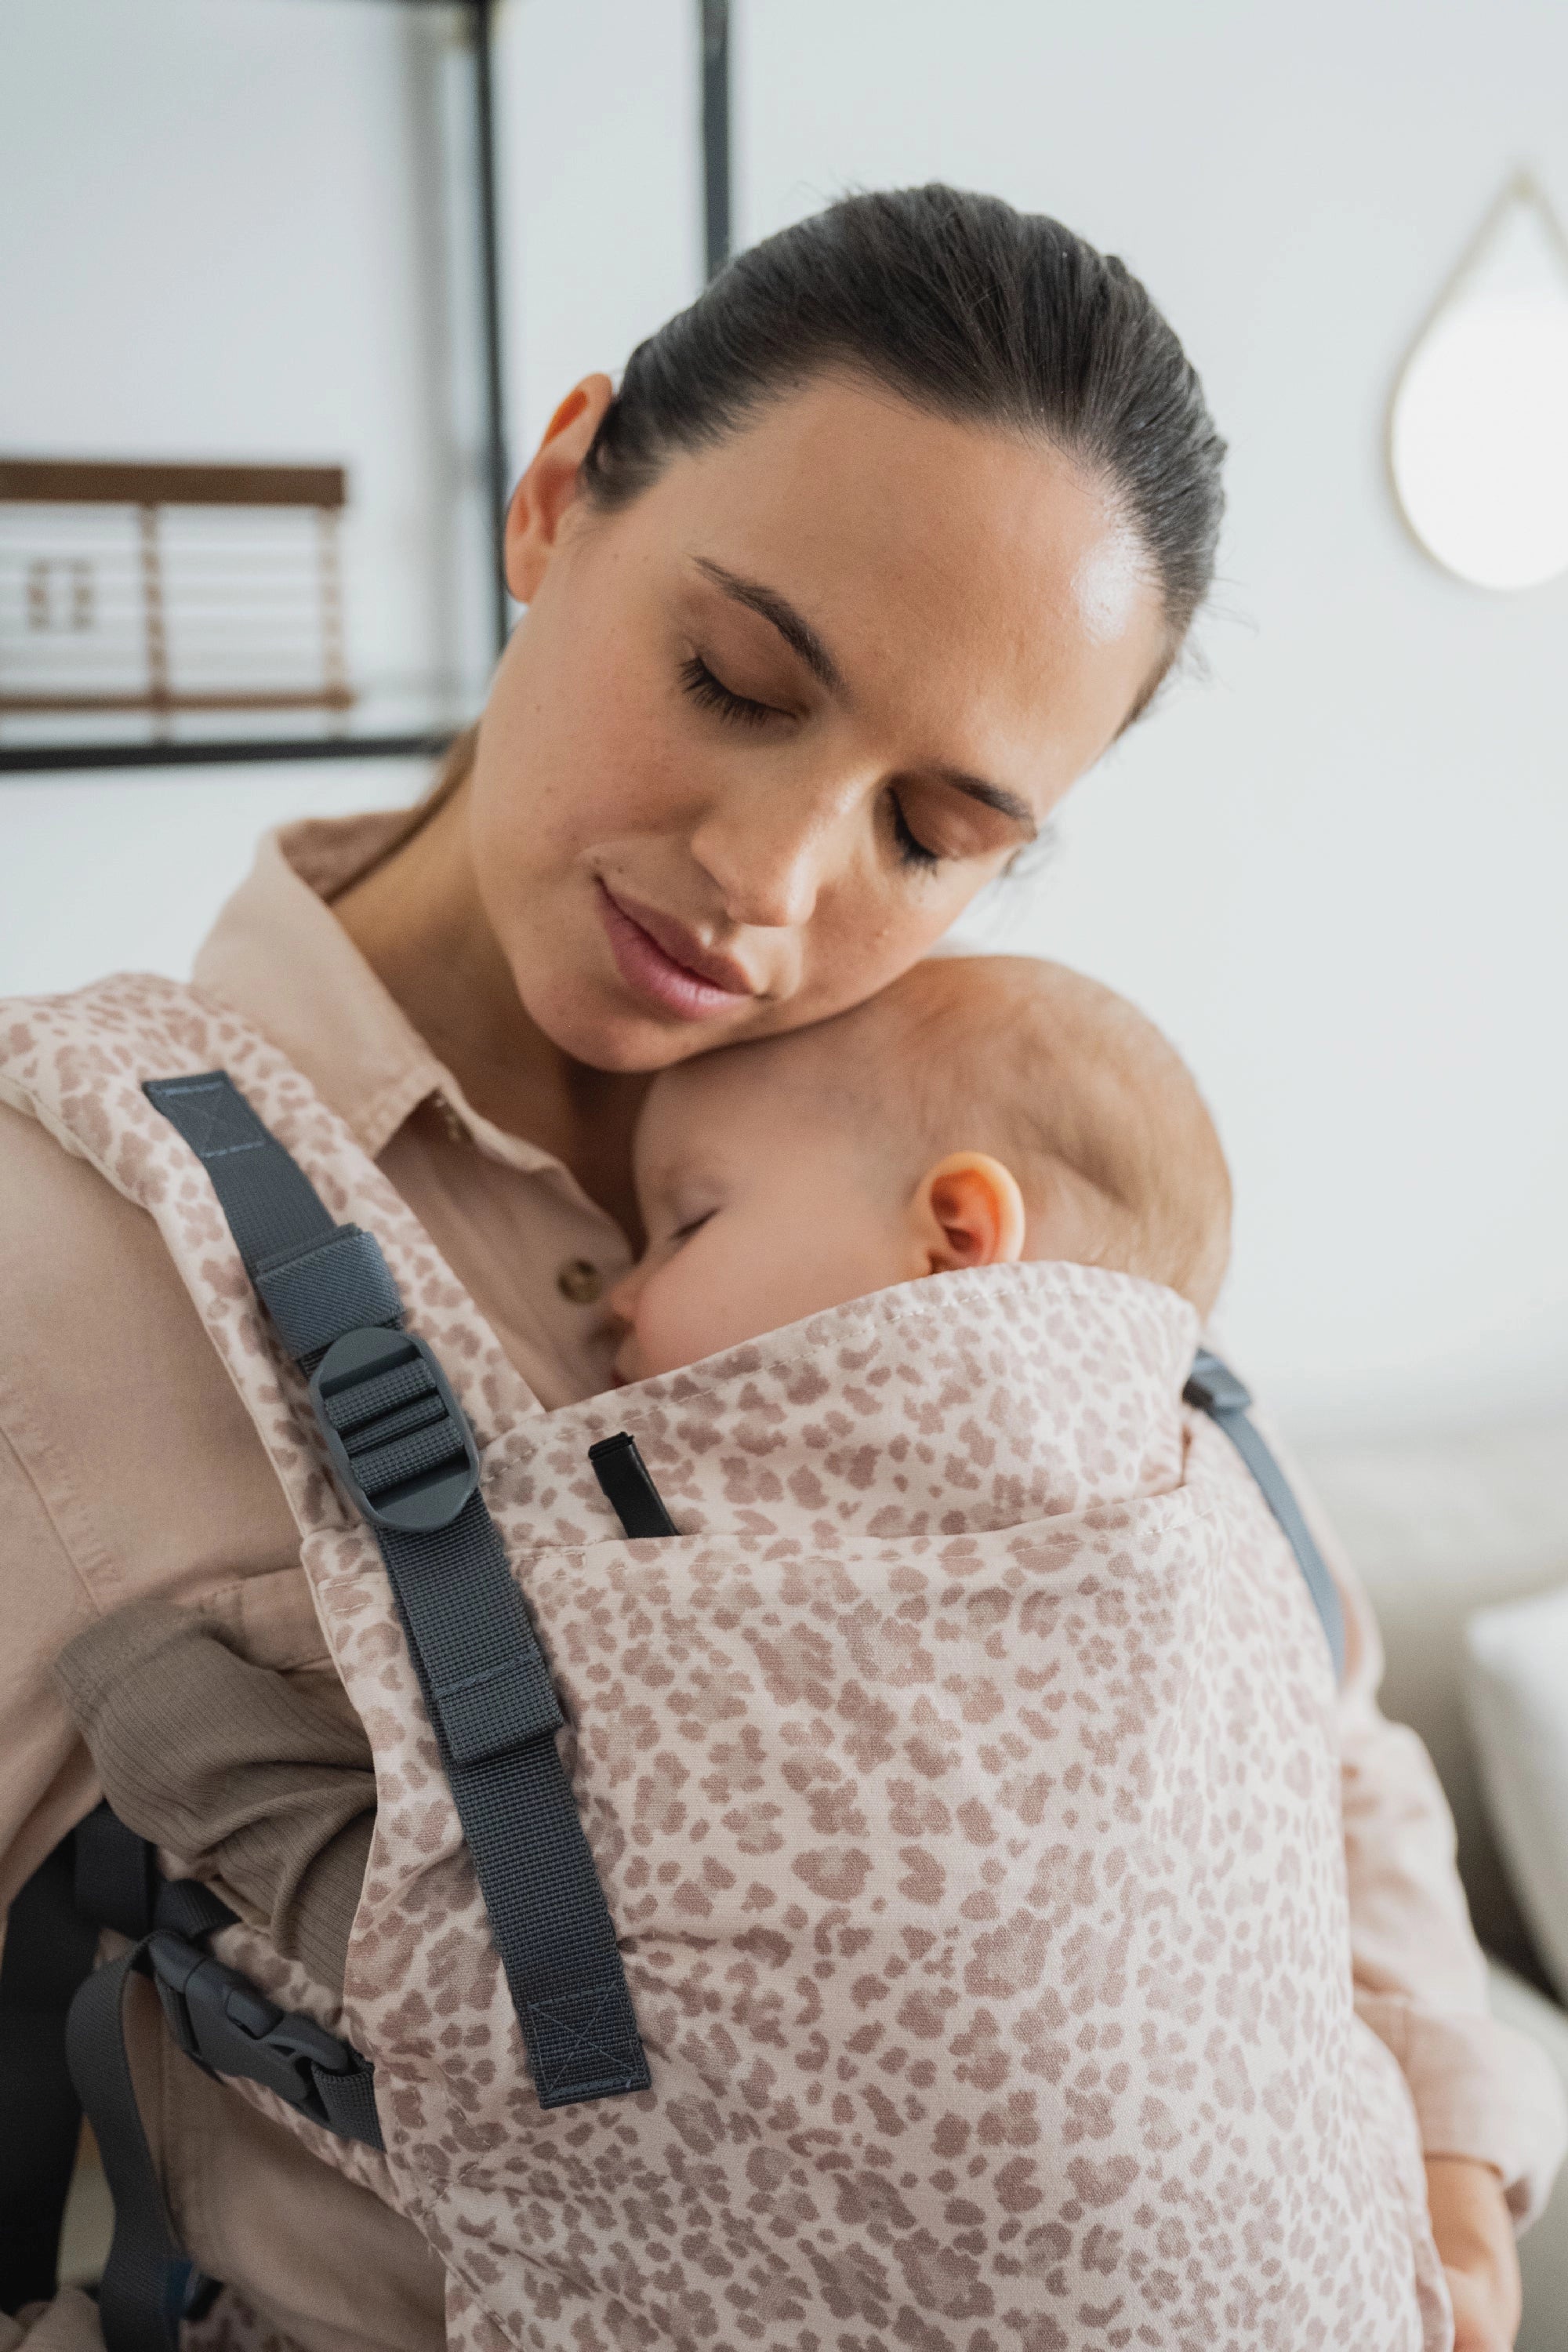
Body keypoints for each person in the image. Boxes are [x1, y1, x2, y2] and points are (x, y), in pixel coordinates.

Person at [0, 187, 1552, 2352]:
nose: (770, 878)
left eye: (932, 833)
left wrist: (1458, 2210)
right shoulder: (63, 1249)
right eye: (734, 679)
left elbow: (1300, 1703)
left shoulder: (969, 1149)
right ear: (555, 498)